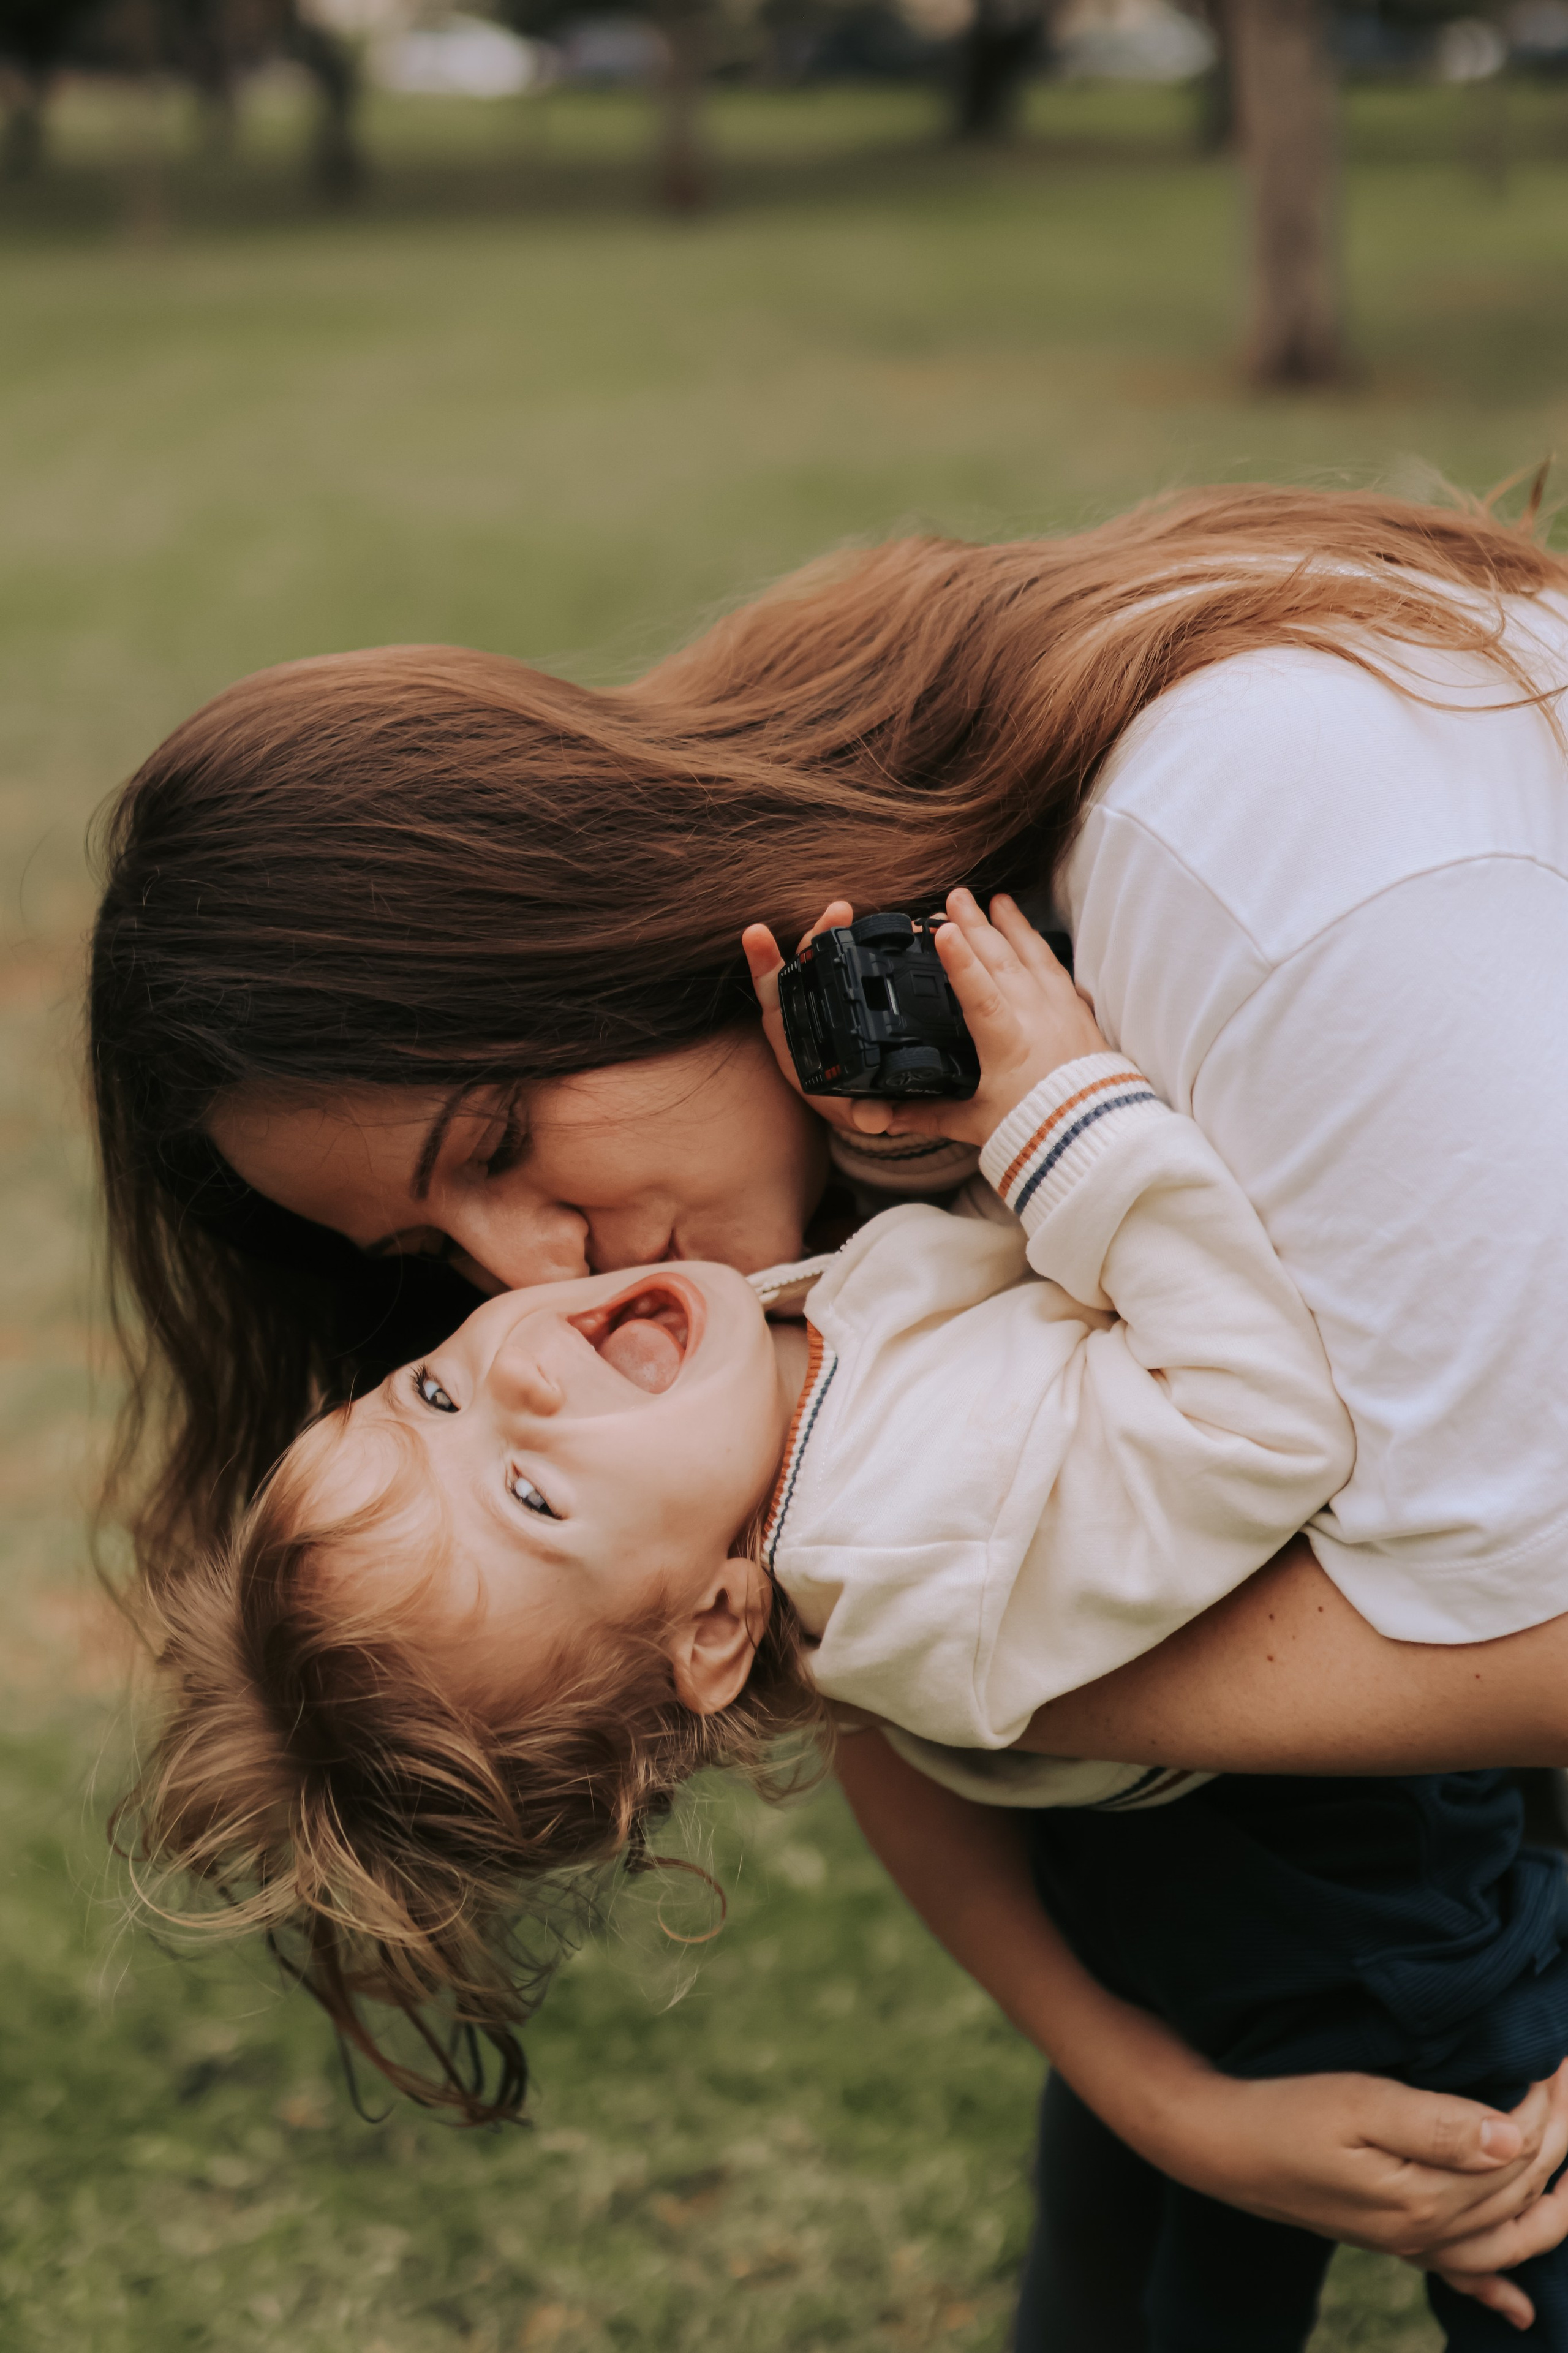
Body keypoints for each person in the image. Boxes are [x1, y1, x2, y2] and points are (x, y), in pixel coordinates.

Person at [89, 485, 1568, 2322]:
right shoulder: (817, 1187)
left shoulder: (1249, 858)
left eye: (499, 1142)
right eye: (432, 1252)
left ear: (588, 921)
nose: (523, 1287)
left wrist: (1048, 1142)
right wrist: (1149, 2090)